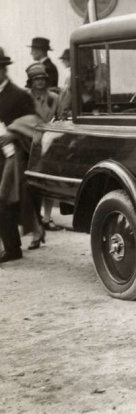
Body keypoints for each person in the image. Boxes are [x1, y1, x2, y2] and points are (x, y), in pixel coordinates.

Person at [0, 48, 39, 263]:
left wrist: (13, 133)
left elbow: (33, 123)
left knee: (4, 199)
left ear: (4, 70)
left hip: (12, 158)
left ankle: (13, 248)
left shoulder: (18, 95)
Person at [25, 62, 61, 241]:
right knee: (29, 184)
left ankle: (44, 219)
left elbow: (60, 118)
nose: (39, 82)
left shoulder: (54, 97)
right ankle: (35, 222)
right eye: (35, 79)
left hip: (48, 143)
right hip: (28, 141)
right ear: (30, 81)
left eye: (42, 79)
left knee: (45, 182)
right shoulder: (25, 97)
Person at [56, 48, 71, 119]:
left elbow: (68, 96)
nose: (62, 61)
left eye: (64, 59)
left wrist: (63, 112)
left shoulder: (71, 76)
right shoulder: (70, 74)